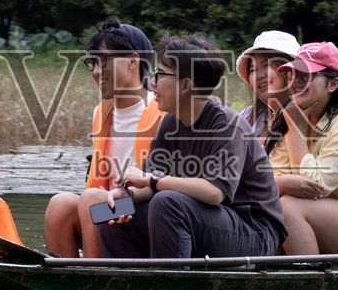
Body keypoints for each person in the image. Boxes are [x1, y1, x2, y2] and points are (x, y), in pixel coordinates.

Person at [97, 34, 286, 259]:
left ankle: (172, 284)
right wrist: (125, 194)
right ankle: (124, 284)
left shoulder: (227, 124)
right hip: (207, 220)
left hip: (253, 230)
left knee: (166, 202)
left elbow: (215, 193)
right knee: (110, 211)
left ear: (186, 85)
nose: (153, 83)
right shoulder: (171, 123)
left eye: (160, 75)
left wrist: (153, 181)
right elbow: (148, 184)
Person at [42, 17, 166, 257]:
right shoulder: (102, 111)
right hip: (107, 208)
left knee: (93, 199)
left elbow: (165, 184)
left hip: (144, 209)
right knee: (60, 204)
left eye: (105, 62)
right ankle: (65, 283)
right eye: (93, 63)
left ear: (133, 61)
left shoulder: (163, 112)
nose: (97, 72)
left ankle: (96, 273)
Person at [264, 42, 338, 255]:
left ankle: (309, 283)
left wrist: (295, 128)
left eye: (306, 75)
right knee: (270, 206)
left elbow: (317, 185)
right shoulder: (300, 115)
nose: (296, 82)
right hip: (319, 217)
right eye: (293, 74)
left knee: (289, 206)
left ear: (333, 84)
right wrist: (282, 183)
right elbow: (270, 176)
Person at [235, 30, 300, 139]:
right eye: (253, 70)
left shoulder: (306, 117)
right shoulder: (248, 117)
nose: (259, 75)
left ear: (288, 69)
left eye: (267, 65)